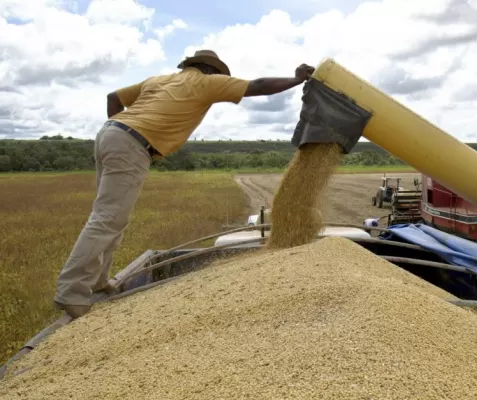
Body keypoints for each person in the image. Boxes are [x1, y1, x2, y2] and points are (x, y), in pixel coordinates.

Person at [54, 49, 316, 318]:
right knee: (109, 216)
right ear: (213, 71)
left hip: (110, 134)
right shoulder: (205, 82)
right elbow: (257, 86)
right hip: (131, 144)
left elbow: (114, 98)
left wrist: (118, 127)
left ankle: (98, 280)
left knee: (112, 215)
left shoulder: (158, 80)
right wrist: (296, 80)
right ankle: (71, 293)